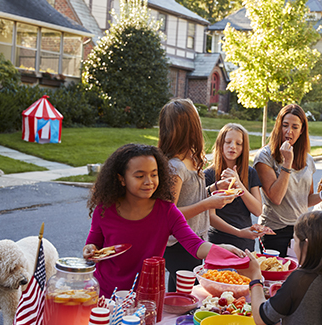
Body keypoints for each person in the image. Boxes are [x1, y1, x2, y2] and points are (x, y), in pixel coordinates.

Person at [83, 144, 244, 297]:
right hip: (105, 292)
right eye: (140, 176)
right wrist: (90, 249)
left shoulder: (167, 211)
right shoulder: (104, 209)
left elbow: (194, 245)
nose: (149, 181)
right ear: (122, 179)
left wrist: (222, 249)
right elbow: (93, 243)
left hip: (148, 295)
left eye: (154, 174)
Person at [158, 98, 252, 292]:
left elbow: (191, 195)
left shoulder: (191, 157)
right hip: (180, 245)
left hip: (197, 240)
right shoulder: (175, 167)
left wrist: (213, 188)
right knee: (187, 295)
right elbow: (168, 215)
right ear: (189, 127)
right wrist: (208, 203)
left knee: (187, 294)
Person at [242, 211, 322, 325]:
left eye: (295, 240)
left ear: (307, 244)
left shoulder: (301, 279)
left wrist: (256, 278)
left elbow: (261, 318)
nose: (294, 247)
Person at [253, 104, 322, 257]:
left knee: (299, 277)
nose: (288, 131)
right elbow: (276, 197)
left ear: (302, 130)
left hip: (301, 229)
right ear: (278, 126)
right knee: (276, 276)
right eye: (285, 125)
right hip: (274, 231)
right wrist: (287, 163)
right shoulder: (264, 157)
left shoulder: (308, 160)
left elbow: (306, 200)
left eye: (295, 127)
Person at [204, 123, 264, 251]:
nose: (233, 147)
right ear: (221, 144)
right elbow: (211, 217)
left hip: (245, 243)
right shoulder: (209, 175)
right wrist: (238, 232)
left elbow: (258, 210)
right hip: (219, 241)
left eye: (238, 143)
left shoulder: (251, 173)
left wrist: (239, 183)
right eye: (228, 142)